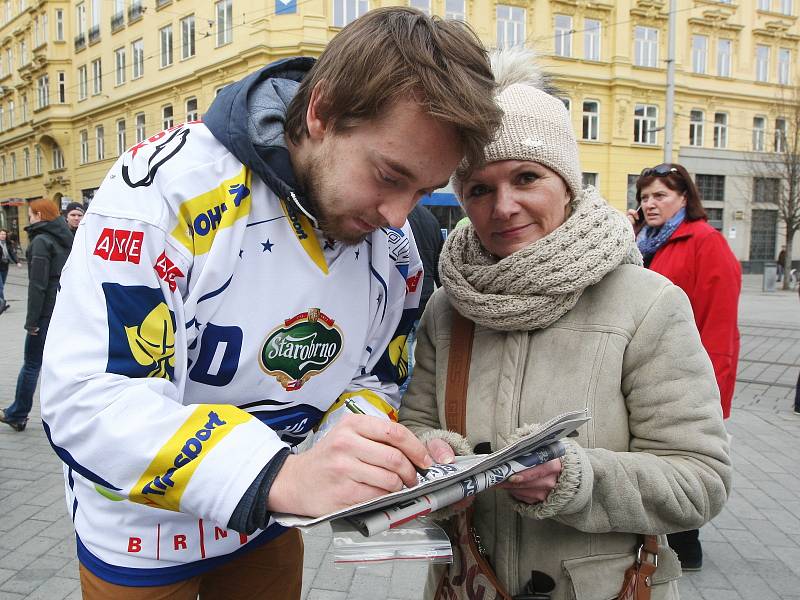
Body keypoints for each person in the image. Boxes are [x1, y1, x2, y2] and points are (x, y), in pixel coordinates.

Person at [39, 8, 501, 599]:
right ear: (321, 112)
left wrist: (368, 450)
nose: (398, 215)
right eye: (390, 175)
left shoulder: (396, 243)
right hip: (143, 532)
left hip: (270, 518)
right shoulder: (163, 190)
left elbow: (376, 375)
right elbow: (90, 396)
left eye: (421, 191)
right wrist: (279, 473)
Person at [400, 47, 731, 600]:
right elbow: (413, 430)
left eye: (526, 177)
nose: (503, 206)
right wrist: (432, 462)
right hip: (468, 584)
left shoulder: (647, 303)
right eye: (479, 188)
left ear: (568, 184)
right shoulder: (449, 306)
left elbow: (701, 480)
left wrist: (576, 479)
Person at [627, 163, 741, 572]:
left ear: (684, 198)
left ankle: (686, 544)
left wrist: (712, 389)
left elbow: (720, 321)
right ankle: (655, 536)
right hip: (642, 370)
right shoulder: (640, 240)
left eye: (660, 196)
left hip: (686, 373)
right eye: (644, 196)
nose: (650, 203)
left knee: (679, 454)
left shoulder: (705, 242)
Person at [0, 200, 72, 431]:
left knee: (32, 364)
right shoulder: (66, 239)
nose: (29, 218)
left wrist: (31, 321)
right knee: (60, 364)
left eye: (30, 215)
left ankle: (18, 413)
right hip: (62, 311)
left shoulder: (42, 241)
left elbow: (37, 286)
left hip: (44, 314)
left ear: (39, 215)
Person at [0, 227, 21, 314]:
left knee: (2, 286)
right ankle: (2, 304)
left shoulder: (8, 244)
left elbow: (12, 253)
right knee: (0, 287)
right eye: (1, 234)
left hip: (5, 267)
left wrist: (17, 262)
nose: (3, 236)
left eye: (4, 234)